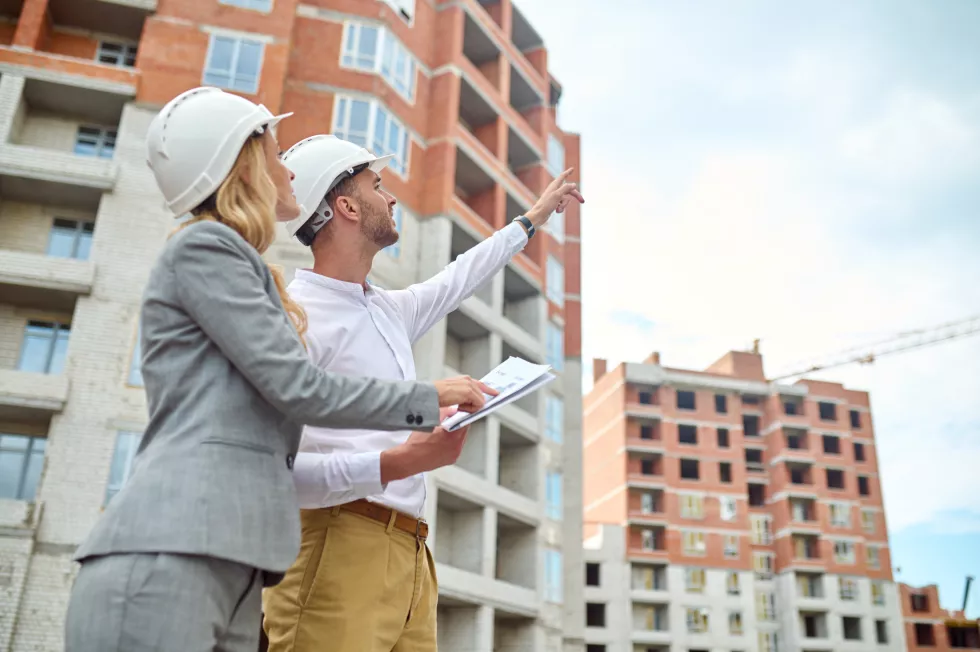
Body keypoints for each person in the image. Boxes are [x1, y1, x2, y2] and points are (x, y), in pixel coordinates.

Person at [62, 88, 493, 652]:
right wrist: (423, 401)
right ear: (242, 159)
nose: (289, 168)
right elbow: (299, 388)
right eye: (275, 148)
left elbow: (281, 439)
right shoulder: (206, 249)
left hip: (240, 561)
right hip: (170, 552)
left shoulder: (258, 277)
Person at [261, 134, 584, 651]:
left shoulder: (387, 308)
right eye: (377, 185)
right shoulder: (294, 318)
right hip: (334, 545)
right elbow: (275, 474)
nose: (390, 198)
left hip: (412, 550)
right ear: (345, 206)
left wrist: (533, 219)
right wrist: (399, 462)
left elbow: (460, 276)